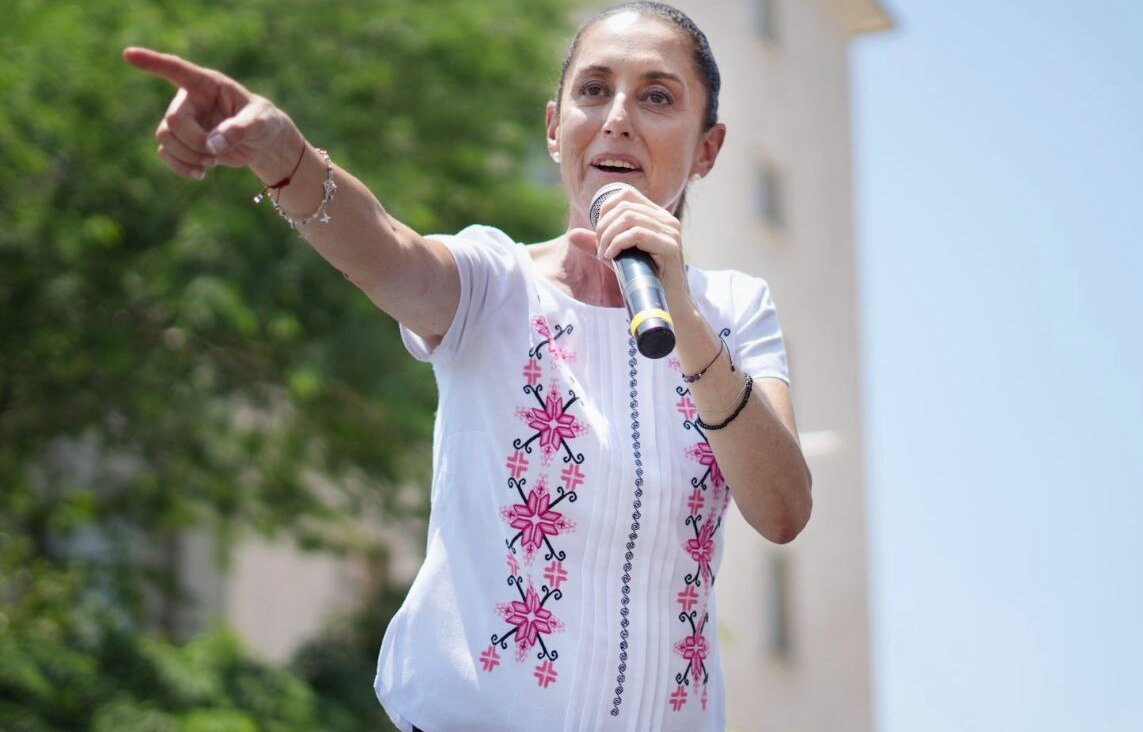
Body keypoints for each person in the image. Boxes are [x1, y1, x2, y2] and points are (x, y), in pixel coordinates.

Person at [126, 2, 811, 729]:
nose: (617, 118)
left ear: (708, 149)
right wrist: (282, 153)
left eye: (657, 97)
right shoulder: (495, 284)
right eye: (593, 90)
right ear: (554, 129)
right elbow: (388, 249)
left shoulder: (736, 311)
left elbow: (783, 508)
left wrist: (684, 319)